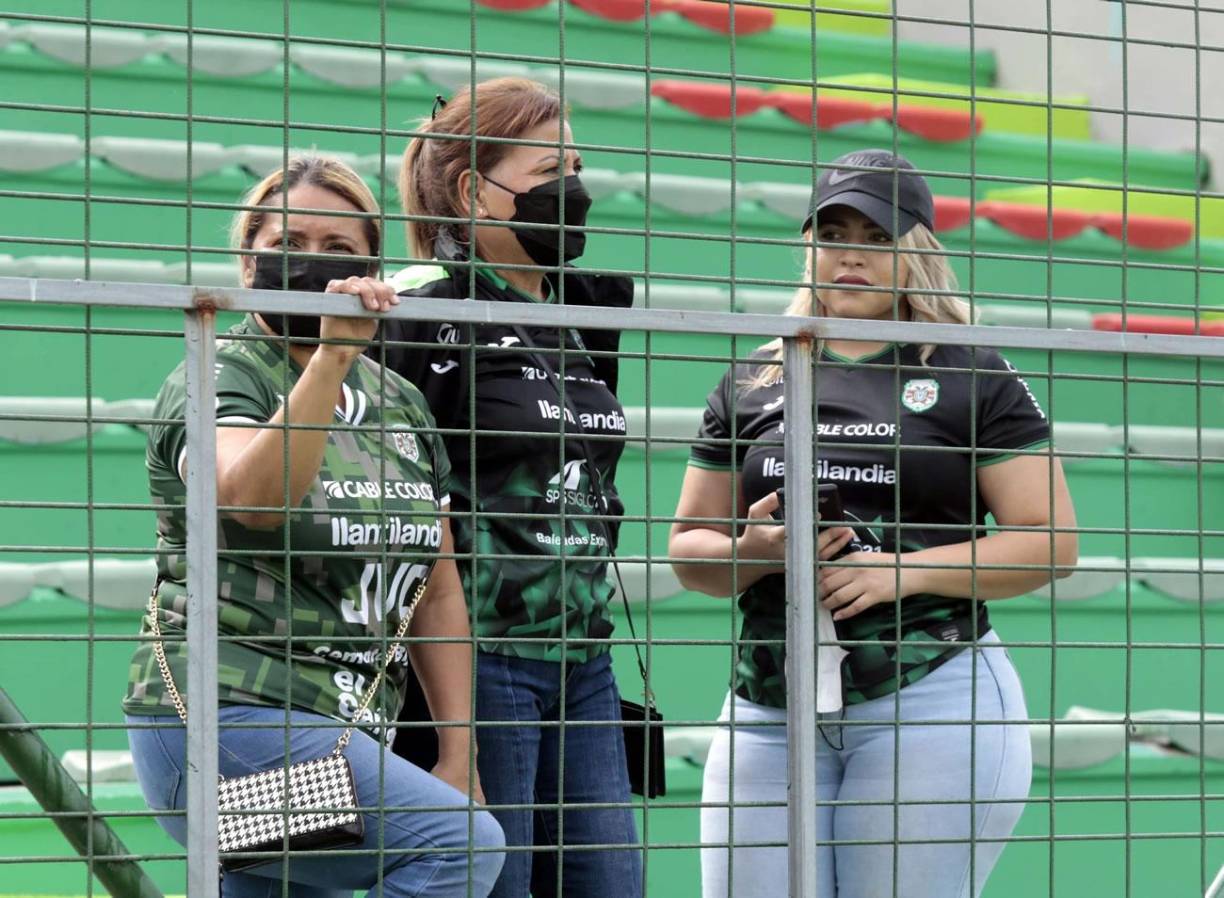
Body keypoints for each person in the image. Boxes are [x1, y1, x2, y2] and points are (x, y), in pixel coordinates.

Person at [669, 149, 1079, 898]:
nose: (850, 254)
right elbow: (690, 551)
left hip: (931, 698)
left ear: (915, 250)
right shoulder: (754, 376)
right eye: (833, 233)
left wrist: (899, 572)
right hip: (767, 705)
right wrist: (760, 550)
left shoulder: (971, 371)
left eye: (876, 237)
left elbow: (1051, 540)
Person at [123, 155, 505, 897]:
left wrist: (459, 753)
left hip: (341, 736)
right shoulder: (221, 368)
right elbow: (253, 497)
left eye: (341, 251)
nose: (316, 265)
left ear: (372, 270)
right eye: (293, 244)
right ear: (248, 258)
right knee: (458, 848)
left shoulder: (397, 397)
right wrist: (332, 354)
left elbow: (436, 586)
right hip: (219, 737)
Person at [375, 78, 640, 898]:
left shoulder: (586, 313)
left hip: (584, 657)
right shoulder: (420, 313)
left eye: (579, 164)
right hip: (479, 656)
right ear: (472, 191)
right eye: (551, 167)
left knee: (611, 886)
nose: (576, 188)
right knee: (497, 885)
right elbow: (399, 501)